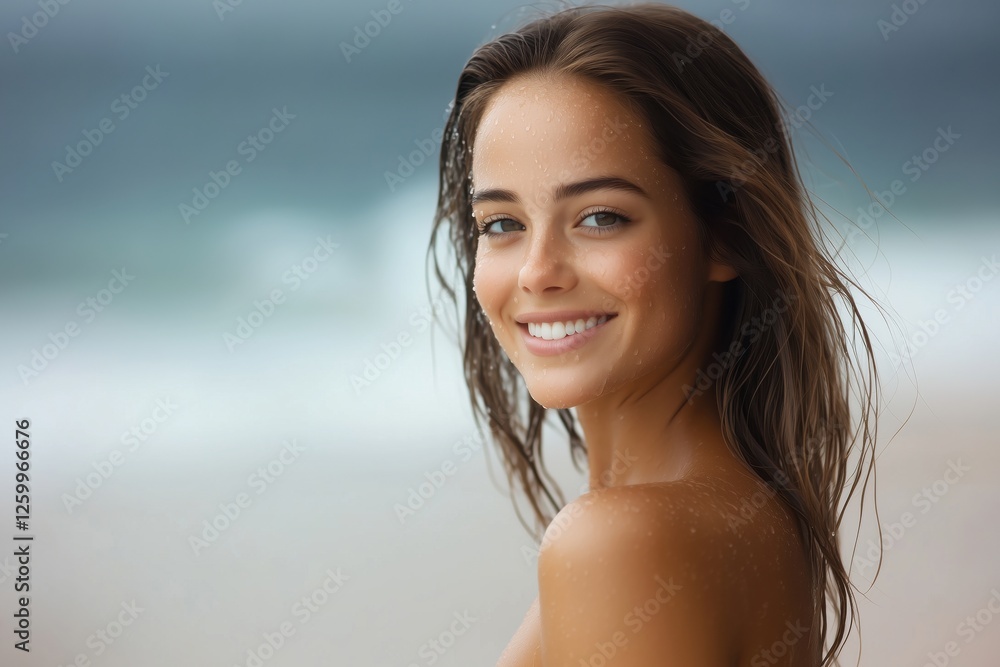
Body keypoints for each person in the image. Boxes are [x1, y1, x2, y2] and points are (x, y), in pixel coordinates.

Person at [425, 3, 885, 665]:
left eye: (601, 216)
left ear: (725, 234)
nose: (537, 271)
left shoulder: (622, 541)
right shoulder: (744, 511)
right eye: (501, 223)